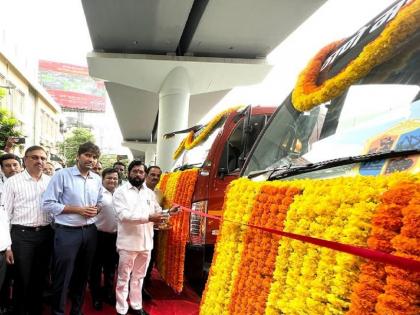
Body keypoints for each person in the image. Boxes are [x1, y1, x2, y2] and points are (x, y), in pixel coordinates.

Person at [42, 141, 103, 315]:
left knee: (83, 275)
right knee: (63, 275)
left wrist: (96, 209)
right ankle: (58, 312)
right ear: (78, 156)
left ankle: (77, 310)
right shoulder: (62, 175)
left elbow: (99, 202)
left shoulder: (96, 179)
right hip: (67, 232)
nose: (91, 159)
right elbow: (48, 204)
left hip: (90, 232)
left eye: (94, 157)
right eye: (87, 155)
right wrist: (78, 209)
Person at [113, 161, 179, 315]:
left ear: (144, 174)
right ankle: (121, 309)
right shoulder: (120, 192)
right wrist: (149, 217)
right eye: (135, 171)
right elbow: (123, 216)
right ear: (129, 173)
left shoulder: (149, 193)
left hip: (146, 244)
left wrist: (170, 212)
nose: (138, 174)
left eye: (141, 172)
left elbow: (157, 211)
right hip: (128, 244)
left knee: (139, 277)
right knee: (123, 278)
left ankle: (136, 306)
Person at [2, 146, 53, 315]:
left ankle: (35, 308)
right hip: (21, 236)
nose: (40, 161)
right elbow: (5, 216)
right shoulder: (13, 182)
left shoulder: (50, 181)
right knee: (22, 277)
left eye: (43, 158)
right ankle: (20, 310)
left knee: (40, 276)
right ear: (25, 160)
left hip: (46, 234)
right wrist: (8, 247)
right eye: (35, 157)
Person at [89, 168, 119, 310]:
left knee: (111, 268)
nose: (112, 181)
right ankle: (96, 297)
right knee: (95, 268)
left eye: (115, 178)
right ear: (103, 179)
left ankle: (108, 293)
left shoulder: (120, 194)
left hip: (116, 237)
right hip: (98, 236)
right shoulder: (97, 193)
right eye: (109, 178)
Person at [0, 153, 21, 314]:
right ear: (2, 169)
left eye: (15, 164)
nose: (12, 168)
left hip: (22, 235)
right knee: (5, 275)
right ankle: (4, 304)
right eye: (8, 165)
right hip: (4, 236)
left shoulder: (27, 183)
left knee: (19, 272)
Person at [143, 165, 164, 299]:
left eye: (158, 175)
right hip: (139, 230)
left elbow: (160, 211)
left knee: (150, 258)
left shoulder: (160, 193)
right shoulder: (139, 190)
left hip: (154, 230)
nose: (155, 177)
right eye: (152, 174)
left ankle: (145, 282)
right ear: (146, 175)